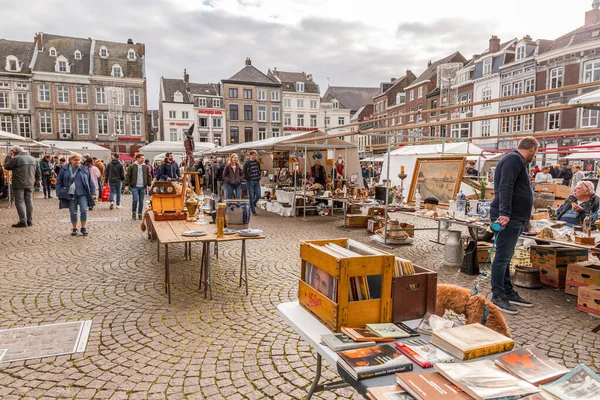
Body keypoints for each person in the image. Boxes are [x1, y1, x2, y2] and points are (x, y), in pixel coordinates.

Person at [490, 136, 539, 314]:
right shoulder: (513, 159)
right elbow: (505, 186)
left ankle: (507, 291)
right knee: (503, 256)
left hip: (514, 217)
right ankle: (498, 295)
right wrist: (504, 213)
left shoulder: (515, 160)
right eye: (536, 151)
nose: (535, 154)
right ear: (532, 148)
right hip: (508, 218)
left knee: (506, 256)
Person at [56, 153, 97, 236]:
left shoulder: (84, 169)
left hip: (83, 193)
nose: (78, 161)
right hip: (70, 194)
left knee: (84, 210)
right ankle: (74, 228)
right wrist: (59, 192)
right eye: (76, 160)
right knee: (73, 212)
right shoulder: (64, 169)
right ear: (70, 160)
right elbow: (59, 182)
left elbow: (90, 181)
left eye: (79, 160)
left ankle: (83, 227)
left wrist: (93, 192)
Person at [5, 146, 41, 228]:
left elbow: (7, 167)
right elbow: (38, 173)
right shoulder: (33, 159)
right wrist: (37, 182)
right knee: (29, 201)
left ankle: (23, 221)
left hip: (18, 184)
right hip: (30, 183)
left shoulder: (16, 158)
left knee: (19, 202)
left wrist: (8, 156)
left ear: (14, 152)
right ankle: (30, 220)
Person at [124, 153, 152, 220]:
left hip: (143, 186)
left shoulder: (145, 167)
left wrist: (149, 185)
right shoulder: (132, 166)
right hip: (134, 186)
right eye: (142, 158)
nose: (143, 159)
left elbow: (148, 176)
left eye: (143, 158)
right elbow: (128, 176)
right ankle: (134, 212)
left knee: (141, 201)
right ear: (138, 158)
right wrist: (126, 185)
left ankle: (140, 213)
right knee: (135, 199)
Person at [243, 150, 261, 215]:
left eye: (255, 155)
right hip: (250, 181)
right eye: (253, 155)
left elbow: (259, 170)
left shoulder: (257, 162)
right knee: (251, 195)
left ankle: (253, 203)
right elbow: (244, 172)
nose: (254, 156)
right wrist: (247, 179)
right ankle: (253, 210)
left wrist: (259, 176)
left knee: (259, 195)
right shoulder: (247, 163)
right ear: (250, 155)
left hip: (257, 181)